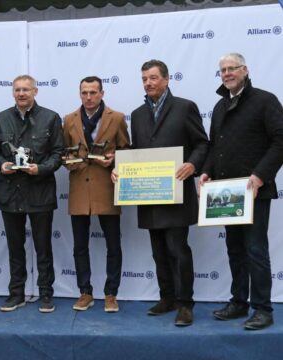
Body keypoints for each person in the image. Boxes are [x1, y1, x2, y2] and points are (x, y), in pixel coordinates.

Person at [112, 60, 208, 326]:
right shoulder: (138, 113)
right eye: (144, 78)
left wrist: (193, 164)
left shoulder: (185, 107)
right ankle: (167, 298)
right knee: (158, 251)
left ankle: (185, 305)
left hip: (177, 191)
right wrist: (120, 168)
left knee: (178, 249)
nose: (148, 83)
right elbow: (137, 151)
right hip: (149, 193)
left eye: (153, 78)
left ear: (166, 79)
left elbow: (202, 142)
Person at [199, 53, 283, 330]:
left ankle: (262, 309)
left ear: (245, 70)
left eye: (231, 68)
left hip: (254, 190)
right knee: (234, 249)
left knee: (256, 249)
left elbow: (280, 140)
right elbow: (215, 146)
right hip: (226, 192)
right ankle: (238, 302)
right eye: (222, 70)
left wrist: (260, 176)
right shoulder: (220, 106)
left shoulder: (265, 100)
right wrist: (207, 171)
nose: (226, 73)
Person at [0, 74, 63, 313]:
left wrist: (40, 169)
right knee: (15, 247)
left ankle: (45, 294)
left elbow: (58, 154)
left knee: (43, 247)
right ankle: (16, 294)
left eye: (26, 89)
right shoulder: (1, 118)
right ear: (13, 92)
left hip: (39, 190)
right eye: (17, 90)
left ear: (35, 91)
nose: (21, 93)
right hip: (11, 192)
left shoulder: (51, 118)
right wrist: (1, 165)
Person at [63, 76, 130, 313]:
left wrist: (116, 161)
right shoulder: (69, 119)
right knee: (80, 245)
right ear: (79, 94)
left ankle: (111, 293)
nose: (89, 97)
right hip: (80, 187)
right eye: (84, 93)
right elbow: (65, 152)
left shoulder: (118, 118)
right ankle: (85, 292)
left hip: (107, 187)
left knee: (114, 244)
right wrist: (68, 162)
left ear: (102, 93)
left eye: (93, 92)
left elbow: (127, 151)